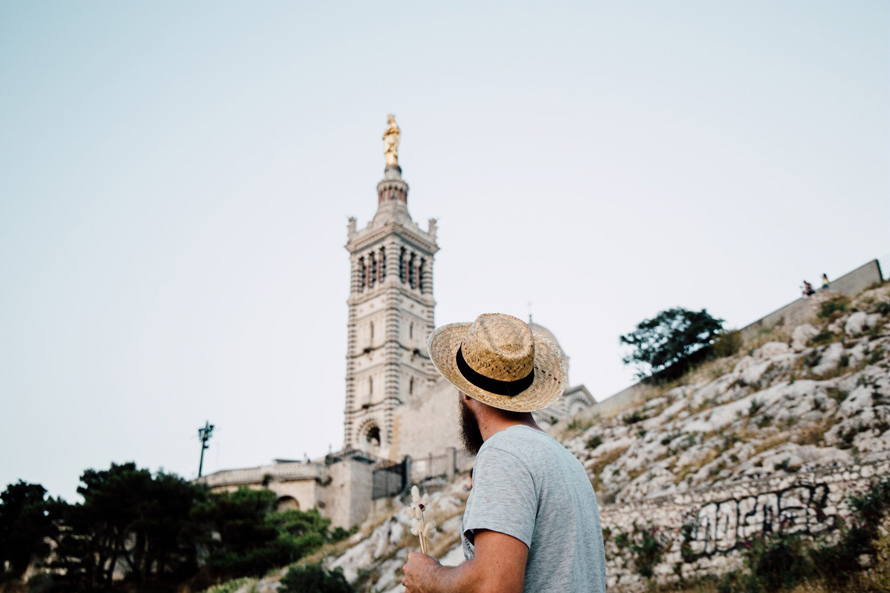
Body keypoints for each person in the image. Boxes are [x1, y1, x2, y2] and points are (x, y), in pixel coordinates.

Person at [401, 313, 606, 593]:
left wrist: (430, 576)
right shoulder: (566, 460)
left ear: (466, 393)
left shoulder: (504, 453)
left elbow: (494, 584)